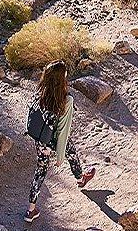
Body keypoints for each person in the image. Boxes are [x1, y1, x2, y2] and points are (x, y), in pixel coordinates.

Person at [25, 61, 95, 222]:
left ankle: (30, 210)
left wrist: (43, 145)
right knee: (72, 153)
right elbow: (63, 130)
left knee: (40, 171)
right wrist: (59, 155)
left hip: (41, 140)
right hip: (54, 140)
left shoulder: (40, 94)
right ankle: (80, 179)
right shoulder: (66, 100)